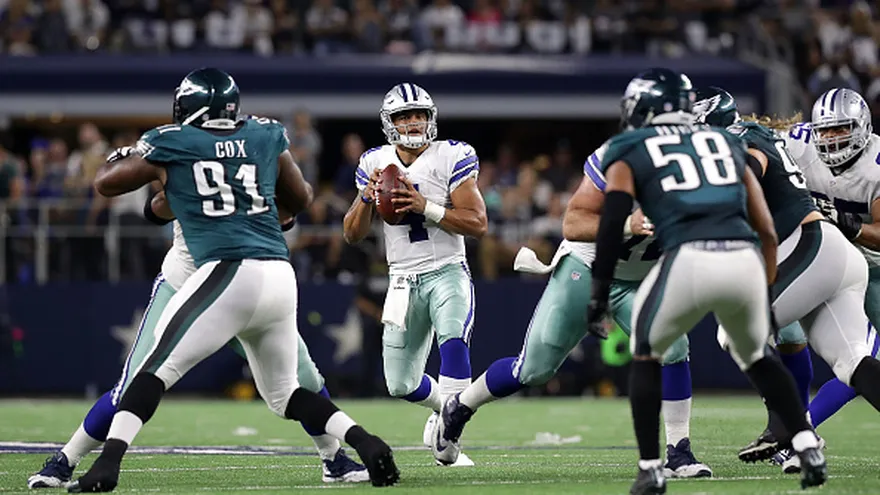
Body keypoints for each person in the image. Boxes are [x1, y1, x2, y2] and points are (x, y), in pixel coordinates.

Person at [66, 68, 399, 492]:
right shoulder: (262, 133)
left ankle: (107, 464)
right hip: (278, 273)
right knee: (286, 393)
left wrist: (129, 155)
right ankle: (364, 442)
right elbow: (300, 199)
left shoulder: (174, 141)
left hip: (226, 270)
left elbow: (108, 185)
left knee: (151, 372)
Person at [28, 165, 370, 489]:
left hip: (241, 283)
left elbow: (288, 213)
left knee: (305, 379)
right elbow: (154, 208)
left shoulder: (257, 146)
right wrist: (186, 189)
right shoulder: (185, 147)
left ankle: (333, 459)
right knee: (133, 385)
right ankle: (65, 460)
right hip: (186, 281)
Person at [430, 112, 712, 478]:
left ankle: (679, 452)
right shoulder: (620, 156)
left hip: (637, 279)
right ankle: (460, 406)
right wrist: (627, 224)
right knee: (533, 370)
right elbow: (573, 223)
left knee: (674, 347)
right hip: (586, 268)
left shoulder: (711, 173)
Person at [587, 68, 826, 494]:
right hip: (743, 258)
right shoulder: (727, 142)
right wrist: (765, 285)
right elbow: (765, 227)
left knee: (646, 353)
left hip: (689, 258)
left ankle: (651, 468)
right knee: (758, 356)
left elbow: (610, 225)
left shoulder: (629, 146)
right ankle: (807, 446)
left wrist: (598, 293)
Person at [342, 83, 487, 466]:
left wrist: (426, 207)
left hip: (446, 271)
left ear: (430, 117)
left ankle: (450, 440)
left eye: (419, 114)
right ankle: (444, 409)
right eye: (404, 116)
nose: (413, 122)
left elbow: (478, 223)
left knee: (453, 343)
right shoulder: (374, 162)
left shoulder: (451, 155)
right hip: (402, 280)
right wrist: (365, 197)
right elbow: (352, 234)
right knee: (400, 383)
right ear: (389, 123)